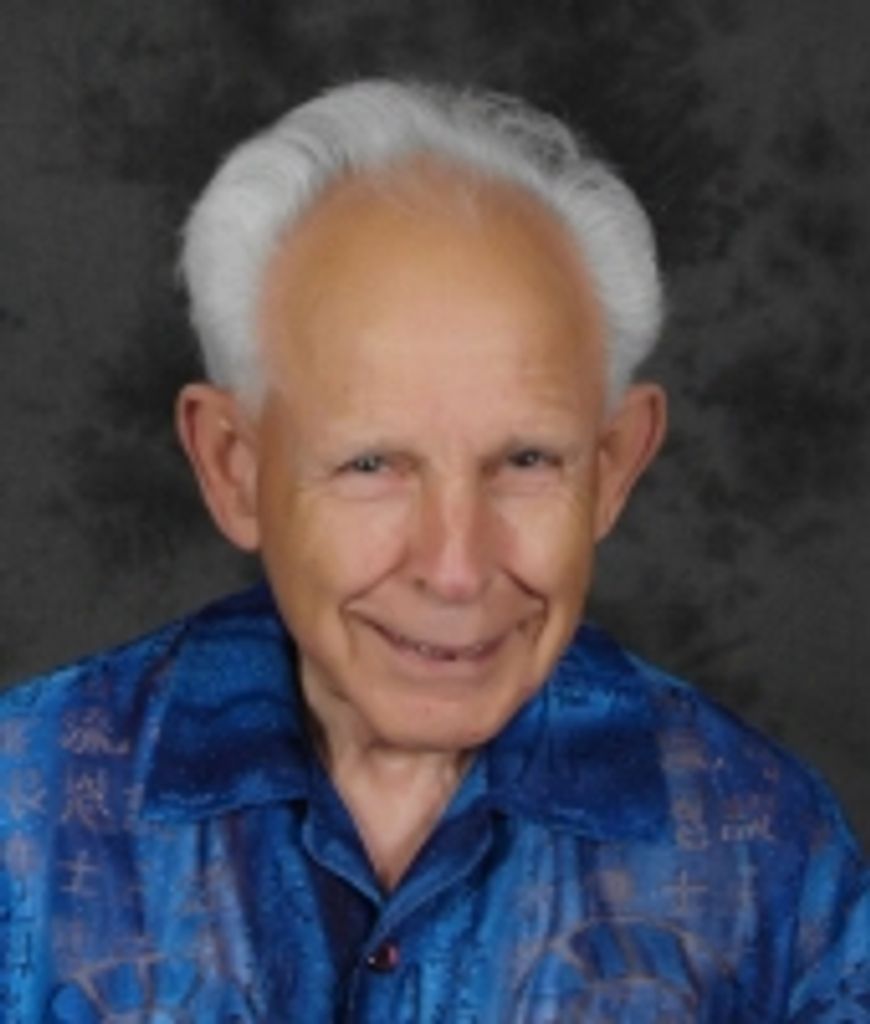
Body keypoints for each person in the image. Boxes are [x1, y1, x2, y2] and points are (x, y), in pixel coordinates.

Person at [0, 79, 867, 1022]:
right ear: (234, 467)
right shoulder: (22, 816)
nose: (456, 570)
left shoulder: (769, 853)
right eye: (372, 464)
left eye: (527, 461)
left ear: (615, 465)